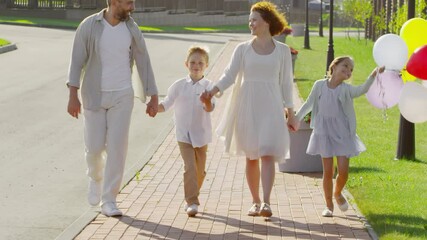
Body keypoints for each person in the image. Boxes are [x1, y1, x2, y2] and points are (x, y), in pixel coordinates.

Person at [205, 1, 298, 218]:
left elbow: (286, 83)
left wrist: (291, 112)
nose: (251, 23)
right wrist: (212, 90)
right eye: (250, 20)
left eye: (254, 19)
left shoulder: (283, 51)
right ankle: (255, 201)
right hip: (247, 105)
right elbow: (229, 74)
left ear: (267, 22)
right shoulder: (243, 49)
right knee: (252, 157)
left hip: (272, 106)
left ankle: (266, 202)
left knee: (267, 153)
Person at [66, 0, 159, 217]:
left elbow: (144, 62)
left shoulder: (132, 29)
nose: (133, 7)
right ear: (114, 1)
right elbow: (76, 61)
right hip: (93, 95)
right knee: (95, 147)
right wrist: (72, 95)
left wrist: (153, 95)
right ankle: (94, 177)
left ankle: (109, 200)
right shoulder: (89, 25)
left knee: (118, 149)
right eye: (129, 2)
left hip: (122, 96)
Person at [295, 56, 385, 217]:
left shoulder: (346, 89)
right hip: (323, 133)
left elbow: (362, 90)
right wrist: (295, 119)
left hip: (342, 133)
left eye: (351, 69)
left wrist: (373, 75)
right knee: (328, 172)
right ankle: (329, 206)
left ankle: (337, 193)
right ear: (334, 66)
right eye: (345, 66)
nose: (348, 70)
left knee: (343, 172)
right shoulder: (319, 85)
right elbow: (309, 103)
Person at [157, 46, 214, 217]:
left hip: (202, 135)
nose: (196, 65)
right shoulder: (178, 86)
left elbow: (210, 108)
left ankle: (192, 193)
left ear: (206, 66)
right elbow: (166, 104)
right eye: (193, 62)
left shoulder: (210, 86)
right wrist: (155, 108)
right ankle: (192, 202)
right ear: (186, 64)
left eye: (200, 63)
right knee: (189, 167)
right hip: (183, 135)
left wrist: (207, 101)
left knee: (199, 171)